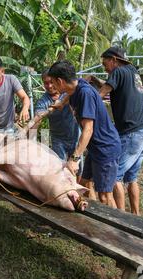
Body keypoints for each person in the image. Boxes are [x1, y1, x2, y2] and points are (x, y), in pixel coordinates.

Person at [48, 61, 121, 207]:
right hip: (95, 148)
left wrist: (74, 159)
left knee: (105, 196)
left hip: (105, 148)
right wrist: (62, 103)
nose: (52, 87)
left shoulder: (85, 94)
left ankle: (113, 227)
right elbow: (75, 88)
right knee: (83, 184)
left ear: (60, 81)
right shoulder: (75, 87)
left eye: (53, 83)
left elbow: (88, 129)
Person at [89, 47, 143, 215]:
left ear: (114, 60)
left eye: (105, 64)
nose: (105, 68)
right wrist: (94, 79)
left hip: (130, 134)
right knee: (131, 178)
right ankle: (136, 215)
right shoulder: (132, 72)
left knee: (114, 176)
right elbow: (109, 86)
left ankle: (122, 219)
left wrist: (85, 105)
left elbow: (100, 94)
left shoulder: (117, 72)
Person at [34, 69, 82, 176]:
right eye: (46, 83)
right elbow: (37, 119)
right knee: (60, 169)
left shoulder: (68, 92)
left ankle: (79, 191)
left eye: (51, 82)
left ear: (57, 81)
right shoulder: (43, 101)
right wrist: (30, 139)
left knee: (77, 169)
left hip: (75, 136)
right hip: (58, 140)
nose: (50, 86)